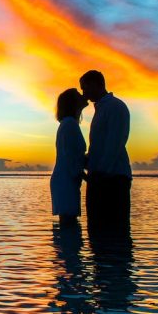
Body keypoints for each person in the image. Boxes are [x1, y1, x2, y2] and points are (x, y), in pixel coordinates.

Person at [79, 70, 132, 225]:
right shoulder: (102, 108)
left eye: (85, 88)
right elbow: (100, 147)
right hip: (101, 177)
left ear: (97, 84)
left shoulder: (115, 107)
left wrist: (98, 175)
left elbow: (114, 144)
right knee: (97, 230)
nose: (84, 93)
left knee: (113, 229)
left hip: (112, 179)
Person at [50, 88, 88, 226]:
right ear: (73, 102)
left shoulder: (69, 124)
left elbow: (74, 156)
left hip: (66, 180)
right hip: (66, 181)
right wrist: (88, 178)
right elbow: (71, 158)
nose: (83, 95)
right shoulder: (70, 124)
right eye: (79, 95)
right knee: (69, 228)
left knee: (68, 228)